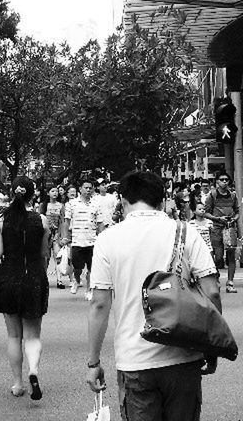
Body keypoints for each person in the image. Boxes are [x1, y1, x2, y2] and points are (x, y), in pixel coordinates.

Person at [86, 171, 220, 421]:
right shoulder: (186, 232)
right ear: (162, 201)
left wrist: (93, 363)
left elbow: (99, 304)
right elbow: (211, 290)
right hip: (184, 356)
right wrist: (211, 346)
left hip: (135, 360)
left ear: (123, 201)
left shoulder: (107, 239)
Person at [0, 176, 50, 400]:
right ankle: (33, 371)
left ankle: (17, 383)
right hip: (34, 279)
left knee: (14, 336)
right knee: (33, 335)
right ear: (32, 194)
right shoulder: (42, 220)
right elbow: (44, 253)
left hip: (8, 280)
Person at [63, 178, 105, 300]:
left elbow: (100, 223)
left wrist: (102, 237)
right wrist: (65, 236)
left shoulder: (96, 205)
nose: (88, 190)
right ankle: (76, 280)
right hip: (77, 241)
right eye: (85, 188)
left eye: (90, 188)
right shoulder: (71, 204)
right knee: (77, 268)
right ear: (80, 189)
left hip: (92, 241)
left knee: (92, 268)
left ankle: (89, 290)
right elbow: (66, 222)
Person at [204, 171, 239, 293]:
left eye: (226, 180)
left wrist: (234, 218)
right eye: (222, 179)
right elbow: (206, 213)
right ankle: (216, 279)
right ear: (217, 182)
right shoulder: (212, 195)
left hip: (229, 228)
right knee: (218, 258)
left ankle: (230, 282)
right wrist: (217, 219)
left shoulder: (233, 195)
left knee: (231, 255)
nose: (225, 182)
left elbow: (237, 211)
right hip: (217, 228)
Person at [44, 186, 66, 288]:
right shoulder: (44, 205)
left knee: (58, 256)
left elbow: (62, 222)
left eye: (56, 191)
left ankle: (59, 280)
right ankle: (43, 279)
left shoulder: (61, 206)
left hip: (57, 234)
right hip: (45, 235)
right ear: (48, 193)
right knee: (46, 258)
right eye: (52, 191)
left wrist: (61, 234)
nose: (55, 193)